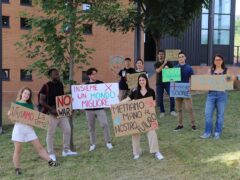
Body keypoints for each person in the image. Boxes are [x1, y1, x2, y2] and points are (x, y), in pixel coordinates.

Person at [9, 87, 59, 175]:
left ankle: (51, 162)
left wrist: (42, 121)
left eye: (28, 94)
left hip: (29, 129)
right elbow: (13, 120)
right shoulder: (15, 105)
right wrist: (10, 114)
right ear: (21, 93)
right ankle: (17, 169)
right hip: (19, 129)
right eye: (25, 93)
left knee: (39, 147)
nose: (26, 95)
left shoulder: (31, 105)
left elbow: (35, 118)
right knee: (18, 150)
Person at [122, 74, 164, 160]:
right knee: (135, 134)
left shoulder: (151, 91)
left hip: (148, 115)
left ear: (146, 81)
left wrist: (149, 104)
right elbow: (127, 99)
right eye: (140, 80)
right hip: (137, 117)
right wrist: (118, 105)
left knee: (152, 132)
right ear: (138, 81)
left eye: (143, 80)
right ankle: (136, 152)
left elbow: (154, 103)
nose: (142, 82)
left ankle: (155, 151)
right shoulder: (135, 91)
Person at [39, 68, 77, 161]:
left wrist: (68, 109)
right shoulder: (46, 86)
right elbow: (41, 101)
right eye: (55, 74)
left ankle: (66, 151)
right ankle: (51, 153)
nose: (58, 76)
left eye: (58, 74)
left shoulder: (60, 85)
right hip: (51, 113)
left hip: (61, 112)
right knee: (51, 133)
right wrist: (51, 109)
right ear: (50, 76)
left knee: (67, 129)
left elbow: (62, 99)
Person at [200, 54, 229, 139]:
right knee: (208, 114)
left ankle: (217, 133)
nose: (218, 61)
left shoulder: (226, 70)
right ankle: (207, 133)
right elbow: (206, 82)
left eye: (219, 59)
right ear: (214, 61)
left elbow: (229, 82)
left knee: (220, 115)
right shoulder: (210, 71)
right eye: (216, 60)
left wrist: (229, 81)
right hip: (211, 95)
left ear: (222, 61)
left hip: (222, 95)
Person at [85, 68, 113, 151]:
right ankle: (92, 144)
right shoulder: (85, 86)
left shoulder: (100, 83)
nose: (95, 75)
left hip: (100, 108)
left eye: (96, 73)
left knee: (105, 124)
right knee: (91, 127)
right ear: (89, 75)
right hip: (89, 110)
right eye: (93, 74)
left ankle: (108, 142)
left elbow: (106, 94)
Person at [174, 51, 196, 131]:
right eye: (179, 57)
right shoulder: (175, 68)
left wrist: (191, 86)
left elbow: (192, 78)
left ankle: (193, 124)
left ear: (185, 58)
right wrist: (167, 71)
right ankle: (180, 125)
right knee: (179, 109)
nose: (181, 58)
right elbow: (171, 79)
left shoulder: (189, 68)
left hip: (186, 90)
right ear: (178, 59)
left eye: (182, 56)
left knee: (189, 108)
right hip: (177, 91)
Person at [154, 50, 177, 118]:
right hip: (159, 84)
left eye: (162, 54)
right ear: (158, 56)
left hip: (168, 83)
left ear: (164, 55)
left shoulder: (169, 63)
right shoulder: (156, 64)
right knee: (160, 98)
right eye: (160, 54)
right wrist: (164, 64)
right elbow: (158, 71)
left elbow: (173, 72)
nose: (161, 55)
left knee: (172, 96)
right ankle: (162, 111)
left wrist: (169, 68)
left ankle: (172, 110)